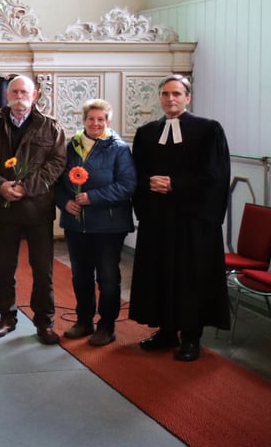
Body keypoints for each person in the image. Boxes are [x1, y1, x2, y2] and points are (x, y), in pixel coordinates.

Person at [129, 75, 231, 362]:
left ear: (188, 97)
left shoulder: (208, 130)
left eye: (176, 93)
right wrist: (149, 185)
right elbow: (136, 174)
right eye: (165, 94)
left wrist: (175, 184)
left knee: (190, 277)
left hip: (193, 221)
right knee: (160, 274)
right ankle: (165, 331)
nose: (170, 99)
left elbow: (216, 175)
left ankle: (190, 337)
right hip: (158, 220)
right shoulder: (147, 132)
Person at [0, 75, 67, 345]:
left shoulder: (50, 126)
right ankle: (7, 317)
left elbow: (57, 162)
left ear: (35, 94)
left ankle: (44, 322)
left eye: (24, 91)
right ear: (7, 95)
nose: (20, 96)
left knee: (43, 270)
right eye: (15, 91)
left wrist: (26, 187)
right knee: (4, 269)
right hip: (3, 209)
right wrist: (2, 185)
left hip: (37, 209)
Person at [54, 99, 136, 348]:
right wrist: (64, 202)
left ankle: (106, 326)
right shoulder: (71, 147)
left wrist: (93, 197)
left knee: (108, 278)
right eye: (91, 119)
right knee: (80, 276)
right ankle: (84, 320)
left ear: (108, 122)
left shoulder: (119, 149)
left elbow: (127, 184)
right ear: (84, 120)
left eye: (101, 119)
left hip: (109, 225)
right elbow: (57, 181)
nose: (96, 123)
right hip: (76, 224)